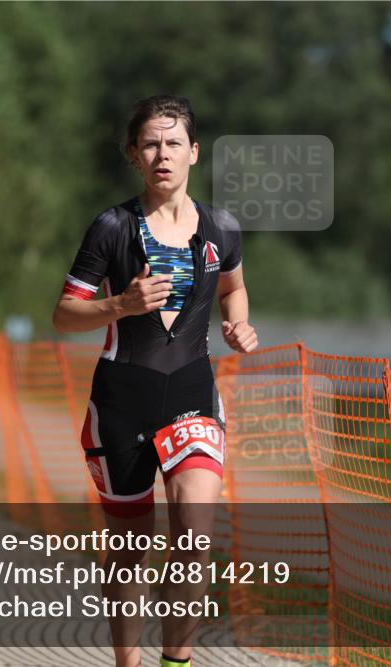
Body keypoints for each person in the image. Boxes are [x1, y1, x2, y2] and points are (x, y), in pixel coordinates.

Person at [52, 95, 257, 667]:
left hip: (192, 393)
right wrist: (119, 303)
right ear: (133, 155)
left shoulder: (222, 227)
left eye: (173, 143)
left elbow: (232, 287)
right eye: (150, 143)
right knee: (129, 553)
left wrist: (237, 324)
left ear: (194, 152)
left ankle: (176, 663)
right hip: (121, 401)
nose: (162, 154)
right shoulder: (112, 227)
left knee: (193, 538)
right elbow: (64, 315)